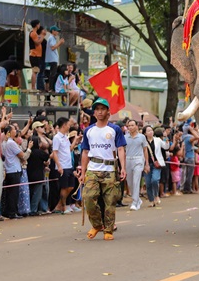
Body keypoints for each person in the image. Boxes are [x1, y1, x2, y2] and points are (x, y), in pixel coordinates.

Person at [79, 98, 127, 240]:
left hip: (110, 169)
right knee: (88, 197)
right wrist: (82, 172)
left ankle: (108, 230)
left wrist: (122, 168)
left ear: (108, 112)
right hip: (92, 169)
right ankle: (97, 225)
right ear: (94, 112)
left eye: (102, 109)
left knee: (110, 202)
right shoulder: (88, 130)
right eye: (97, 109)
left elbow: (120, 149)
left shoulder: (115, 129)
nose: (100, 112)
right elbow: (85, 152)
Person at [51, 117, 81, 214]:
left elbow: (69, 149)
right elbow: (54, 152)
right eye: (68, 124)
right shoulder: (57, 138)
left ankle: (59, 205)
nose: (69, 126)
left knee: (71, 187)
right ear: (64, 125)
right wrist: (59, 165)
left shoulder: (65, 137)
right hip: (62, 166)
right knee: (64, 187)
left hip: (69, 165)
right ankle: (63, 206)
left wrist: (75, 141)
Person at [124, 119, 149, 211]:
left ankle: (135, 203)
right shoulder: (125, 137)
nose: (130, 127)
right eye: (129, 125)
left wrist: (147, 164)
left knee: (136, 181)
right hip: (128, 160)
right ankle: (137, 200)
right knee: (130, 183)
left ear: (136, 126)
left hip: (138, 160)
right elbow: (122, 150)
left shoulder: (142, 137)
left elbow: (145, 150)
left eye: (132, 125)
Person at [144, 125, 169, 207]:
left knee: (155, 180)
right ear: (145, 133)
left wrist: (165, 138)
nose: (150, 132)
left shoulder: (158, 140)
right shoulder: (143, 142)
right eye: (148, 131)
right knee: (148, 183)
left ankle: (156, 196)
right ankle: (151, 200)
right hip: (146, 164)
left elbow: (166, 147)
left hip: (157, 164)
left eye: (151, 130)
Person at [181, 122, 199, 194]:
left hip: (188, 157)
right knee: (189, 175)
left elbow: (198, 137)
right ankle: (187, 189)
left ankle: (187, 188)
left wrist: (195, 130)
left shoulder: (185, 137)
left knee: (188, 174)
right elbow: (197, 137)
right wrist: (192, 130)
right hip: (190, 158)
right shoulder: (188, 138)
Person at [28, 20, 43, 90]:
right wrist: (42, 35)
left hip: (37, 55)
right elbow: (37, 42)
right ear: (37, 25)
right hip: (34, 55)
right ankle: (33, 87)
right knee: (35, 71)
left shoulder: (36, 33)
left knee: (36, 71)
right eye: (39, 24)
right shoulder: (33, 33)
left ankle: (34, 86)